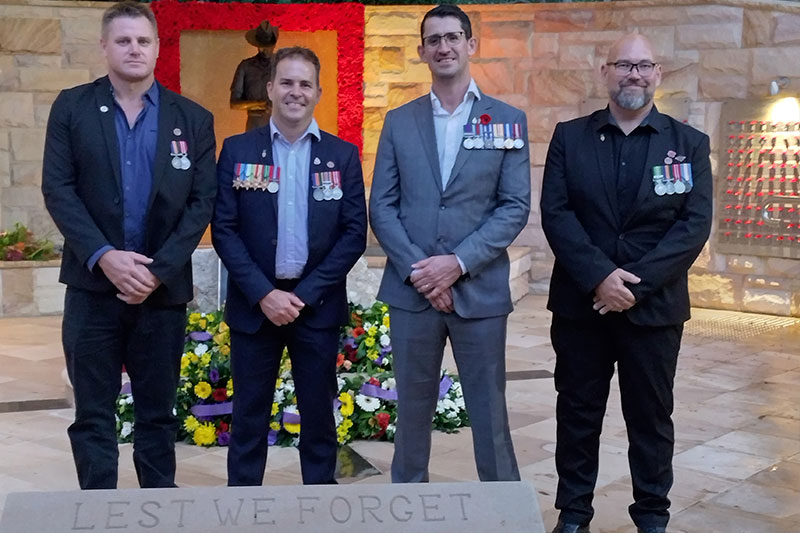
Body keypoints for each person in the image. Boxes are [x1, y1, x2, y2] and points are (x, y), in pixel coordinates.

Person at [540, 34, 713, 533]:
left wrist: (634, 286)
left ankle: (652, 516)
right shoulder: (569, 137)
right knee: (577, 413)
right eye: (623, 65)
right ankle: (573, 514)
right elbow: (557, 214)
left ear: (658, 74)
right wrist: (599, 276)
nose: (632, 74)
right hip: (581, 307)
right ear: (605, 71)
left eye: (643, 66)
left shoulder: (688, 144)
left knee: (651, 420)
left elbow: (693, 226)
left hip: (654, 311)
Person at [41, 1, 217, 489]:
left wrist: (156, 270)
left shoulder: (194, 118)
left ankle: (156, 510)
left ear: (157, 46)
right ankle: (99, 511)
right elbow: (59, 190)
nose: (134, 49)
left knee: (157, 417)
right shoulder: (72, 107)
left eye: (143, 40)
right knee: (93, 416)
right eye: (123, 40)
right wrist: (105, 257)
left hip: (161, 296)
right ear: (104, 46)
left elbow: (202, 203)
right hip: (92, 290)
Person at [370, 4, 530, 483]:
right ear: (422, 51)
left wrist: (457, 264)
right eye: (434, 39)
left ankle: (502, 509)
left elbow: (514, 206)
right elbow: (383, 205)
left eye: (453, 37)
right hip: (412, 294)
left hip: (478, 293)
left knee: (489, 413)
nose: (444, 47)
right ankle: (407, 506)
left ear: (470, 45)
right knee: (411, 414)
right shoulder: (400, 122)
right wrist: (424, 271)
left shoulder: (506, 120)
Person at [212, 46, 367, 486]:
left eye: (304, 84)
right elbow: (224, 229)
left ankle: (320, 501)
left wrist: (302, 294)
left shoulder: (341, 155)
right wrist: (265, 293)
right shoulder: (239, 149)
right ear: (270, 88)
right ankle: (243, 503)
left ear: (318, 92)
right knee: (248, 417)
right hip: (255, 305)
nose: (295, 92)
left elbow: (353, 234)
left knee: (319, 416)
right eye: (286, 82)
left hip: (314, 306)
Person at [230, 20, 279, 131]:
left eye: (268, 46)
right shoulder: (246, 66)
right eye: (261, 46)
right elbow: (234, 103)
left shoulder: (284, 66)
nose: (264, 50)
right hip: (255, 126)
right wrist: (261, 104)